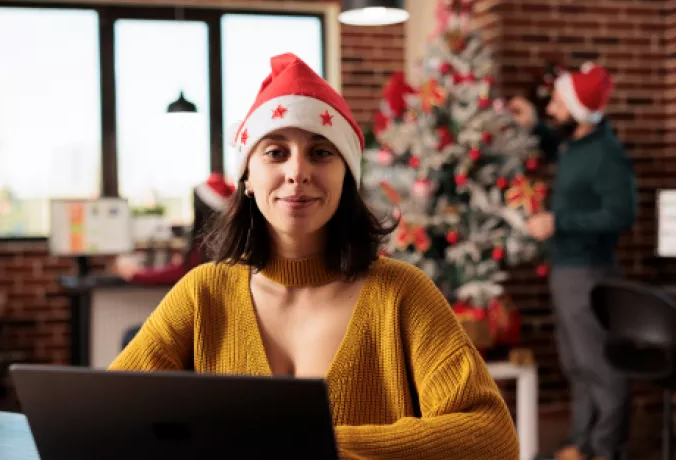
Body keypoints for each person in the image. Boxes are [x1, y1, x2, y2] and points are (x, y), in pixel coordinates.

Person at [110, 53, 518, 459]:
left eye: (321, 153)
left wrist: (319, 445)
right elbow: (108, 417)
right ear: (247, 178)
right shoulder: (202, 294)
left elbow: (492, 437)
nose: (297, 172)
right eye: (275, 152)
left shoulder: (402, 294)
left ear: (347, 175)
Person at [510, 63, 637, 460]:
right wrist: (534, 124)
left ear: (578, 110)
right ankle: (581, 442)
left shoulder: (607, 155)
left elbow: (621, 215)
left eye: (558, 102)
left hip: (587, 272)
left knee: (599, 366)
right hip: (566, 269)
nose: (551, 107)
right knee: (575, 363)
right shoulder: (576, 143)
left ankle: (604, 448)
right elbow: (556, 144)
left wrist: (557, 220)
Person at [116, 173, 235, 348]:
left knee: (131, 337)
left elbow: (180, 273)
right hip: (214, 328)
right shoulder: (225, 241)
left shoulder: (207, 247)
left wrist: (136, 274)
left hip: (207, 332)